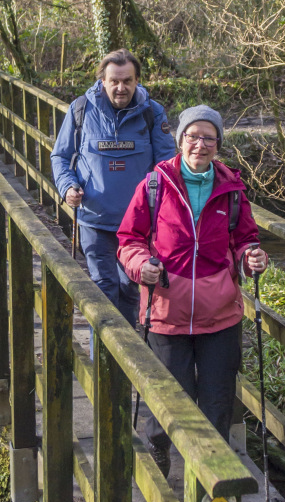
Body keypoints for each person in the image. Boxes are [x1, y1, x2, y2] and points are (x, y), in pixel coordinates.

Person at [117, 105, 268, 477]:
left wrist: (251, 257)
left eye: (209, 138)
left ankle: (210, 477)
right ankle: (159, 452)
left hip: (220, 315)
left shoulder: (232, 190)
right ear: (180, 139)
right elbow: (129, 239)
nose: (200, 145)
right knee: (170, 402)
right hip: (167, 313)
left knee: (217, 402)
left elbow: (244, 239)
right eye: (193, 136)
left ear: (218, 144)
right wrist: (141, 266)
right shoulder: (154, 186)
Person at [51, 48, 176, 344]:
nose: (121, 88)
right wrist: (68, 186)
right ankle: (103, 362)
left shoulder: (152, 112)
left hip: (138, 225)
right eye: (114, 81)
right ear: (103, 81)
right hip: (95, 219)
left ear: (137, 81)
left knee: (131, 287)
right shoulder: (81, 109)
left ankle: (128, 352)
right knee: (103, 287)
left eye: (127, 81)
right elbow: (60, 156)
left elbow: (167, 163)